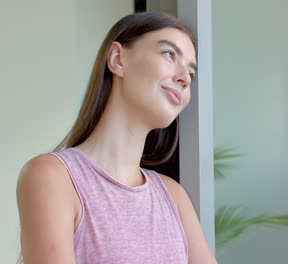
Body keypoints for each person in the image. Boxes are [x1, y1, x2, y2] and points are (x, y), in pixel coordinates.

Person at [16, 12, 217, 264]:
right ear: (117, 59)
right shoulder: (53, 177)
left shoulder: (173, 195)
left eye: (191, 73)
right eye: (169, 54)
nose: (185, 78)